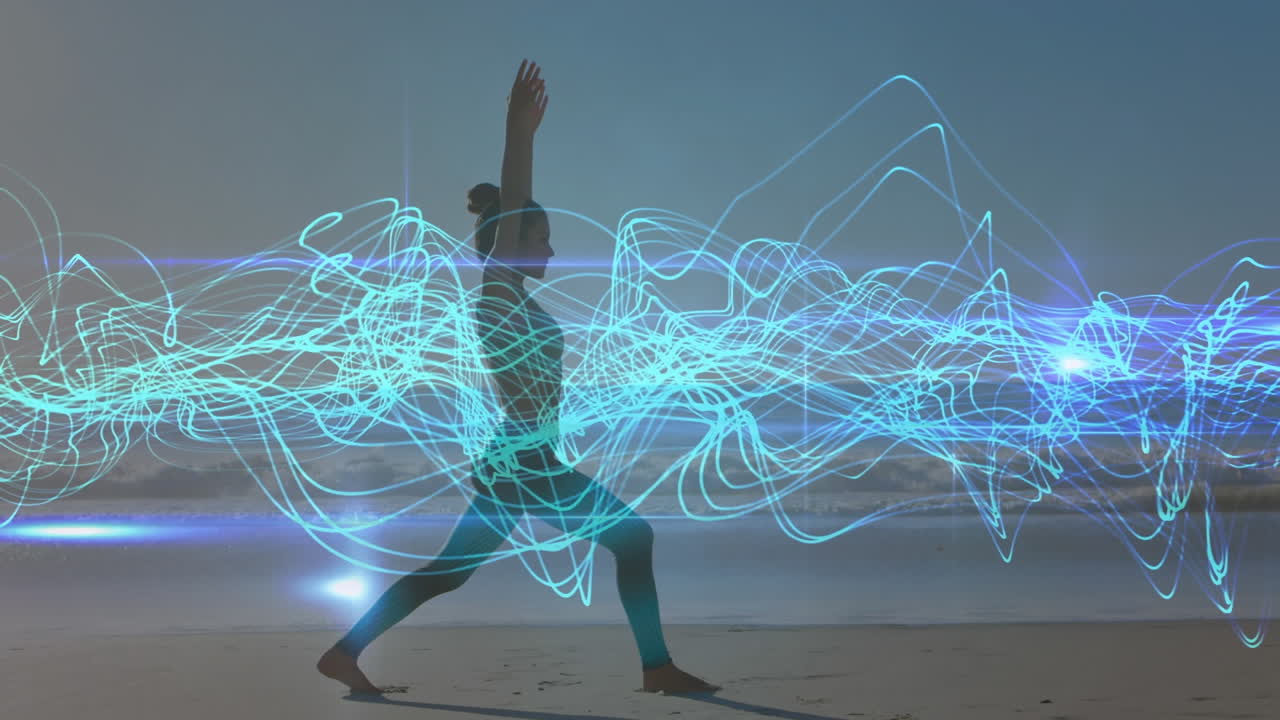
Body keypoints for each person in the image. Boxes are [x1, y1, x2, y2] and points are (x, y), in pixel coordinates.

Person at [318, 59, 719, 696]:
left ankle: (345, 653)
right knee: (634, 538)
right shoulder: (498, 295)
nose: (552, 251)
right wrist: (520, 134)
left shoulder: (516, 303)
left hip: (515, 458)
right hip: (525, 463)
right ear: (509, 241)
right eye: (542, 237)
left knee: (449, 573)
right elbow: (511, 203)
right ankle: (657, 668)